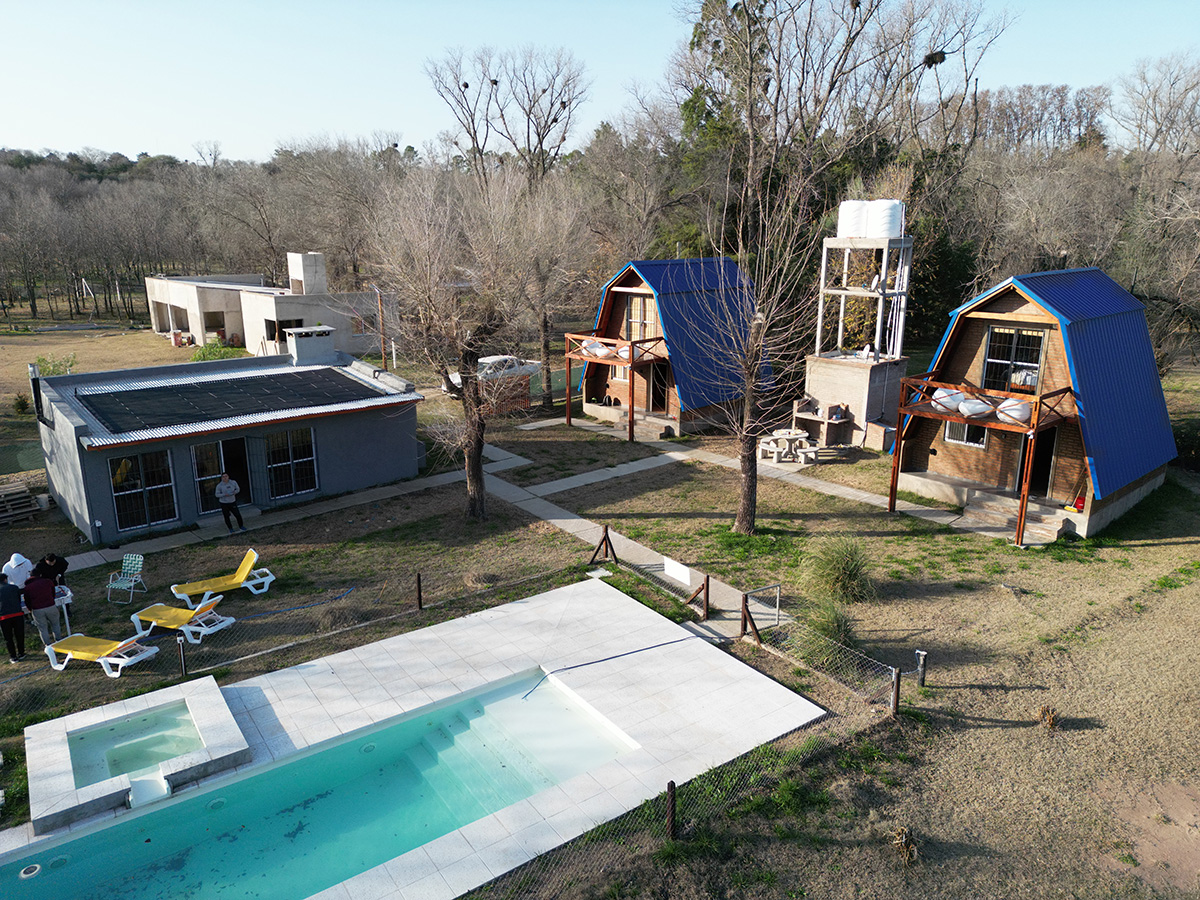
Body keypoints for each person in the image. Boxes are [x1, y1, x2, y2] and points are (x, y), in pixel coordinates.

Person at [23, 574, 63, 646]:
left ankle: (47, 646)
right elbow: (53, 592)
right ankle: (59, 641)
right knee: (55, 624)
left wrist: (30, 609)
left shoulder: (27, 587)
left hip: (37, 610)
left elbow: (27, 600)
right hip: (51, 606)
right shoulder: (48, 581)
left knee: (42, 628)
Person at [0, 573, 25, 663]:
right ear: (5, 579)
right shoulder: (14, 588)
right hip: (17, 614)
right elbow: (19, 600)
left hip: (4, 617)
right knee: (19, 635)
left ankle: (13, 656)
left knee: (8, 638)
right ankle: (21, 653)